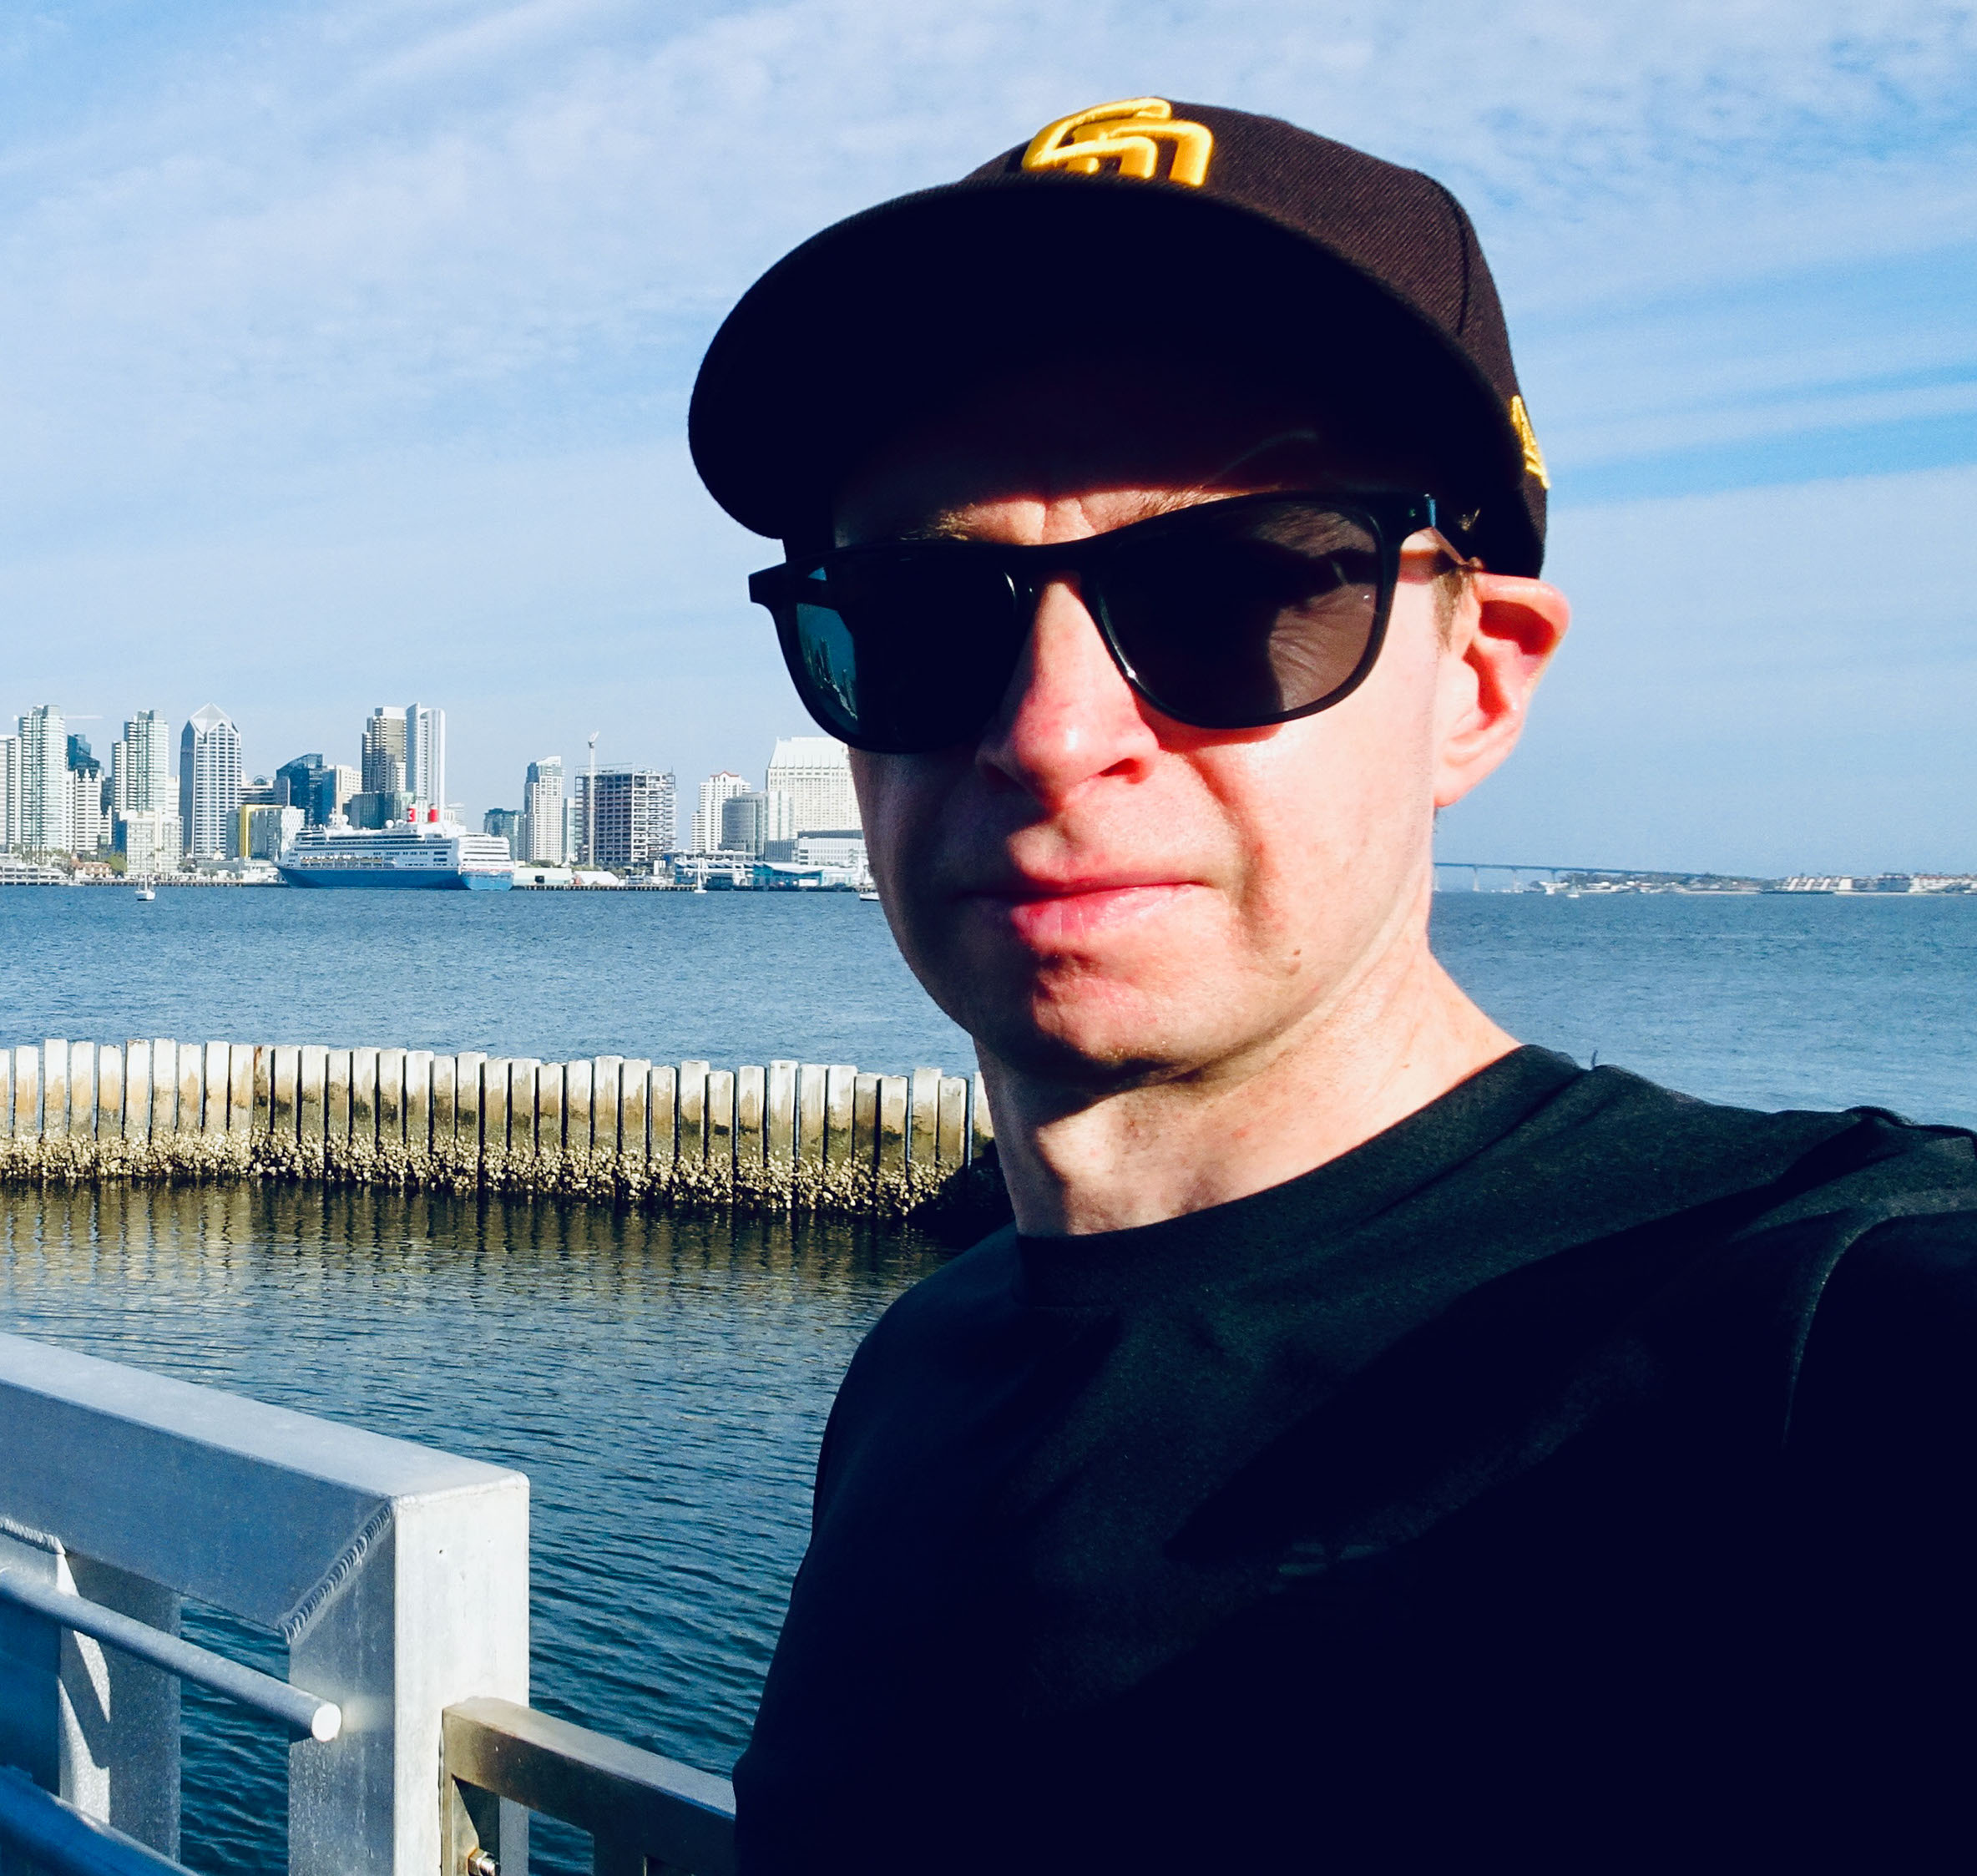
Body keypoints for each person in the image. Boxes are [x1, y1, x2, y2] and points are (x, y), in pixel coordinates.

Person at [690, 99, 1977, 1866]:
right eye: (923, 617)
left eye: (1231, 599)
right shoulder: (923, 1367)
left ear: (1478, 682)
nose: (1050, 733)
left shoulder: (1821, 1342)